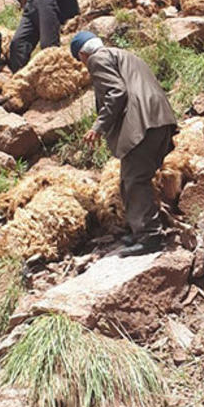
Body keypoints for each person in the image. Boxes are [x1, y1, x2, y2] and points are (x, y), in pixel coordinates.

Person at [71, 31, 177, 257]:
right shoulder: (124, 55)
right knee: (131, 178)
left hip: (142, 122)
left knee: (134, 180)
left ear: (82, 54)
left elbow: (116, 92)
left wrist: (98, 127)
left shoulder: (98, 59)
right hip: (160, 119)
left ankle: (150, 237)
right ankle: (140, 231)